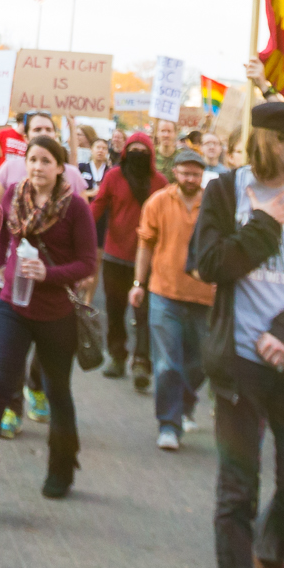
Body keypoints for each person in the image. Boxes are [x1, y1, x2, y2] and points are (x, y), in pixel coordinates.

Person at [187, 98, 284, 568]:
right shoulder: (226, 191)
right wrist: (265, 226)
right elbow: (208, 264)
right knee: (238, 489)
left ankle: (271, 547)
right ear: (276, 141)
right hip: (240, 363)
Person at [0, 133, 98, 501]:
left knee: (57, 391)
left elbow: (87, 263)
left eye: (46, 161)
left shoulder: (75, 207)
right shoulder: (14, 194)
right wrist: (2, 269)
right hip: (14, 307)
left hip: (56, 315)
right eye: (32, 160)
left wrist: (49, 274)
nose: (38, 167)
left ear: (60, 168)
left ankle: (62, 468)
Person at [131, 144, 214, 448]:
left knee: (203, 361)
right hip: (164, 292)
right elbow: (145, 244)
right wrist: (138, 282)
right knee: (167, 363)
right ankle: (168, 424)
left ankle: (185, 404)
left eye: (196, 173)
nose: (191, 178)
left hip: (206, 296)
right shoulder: (158, 201)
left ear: (203, 175)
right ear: (175, 172)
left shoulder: (215, 205)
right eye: (186, 171)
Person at [92, 130, 163, 386]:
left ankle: (142, 362)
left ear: (152, 156)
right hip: (115, 255)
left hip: (148, 259)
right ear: (124, 153)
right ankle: (117, 355)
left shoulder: (160, 183)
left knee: (145, 313)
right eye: (133, 151)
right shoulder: (113, 177)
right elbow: (97, 207)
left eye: (144, 152)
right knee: (114, 309)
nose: (138, 156)